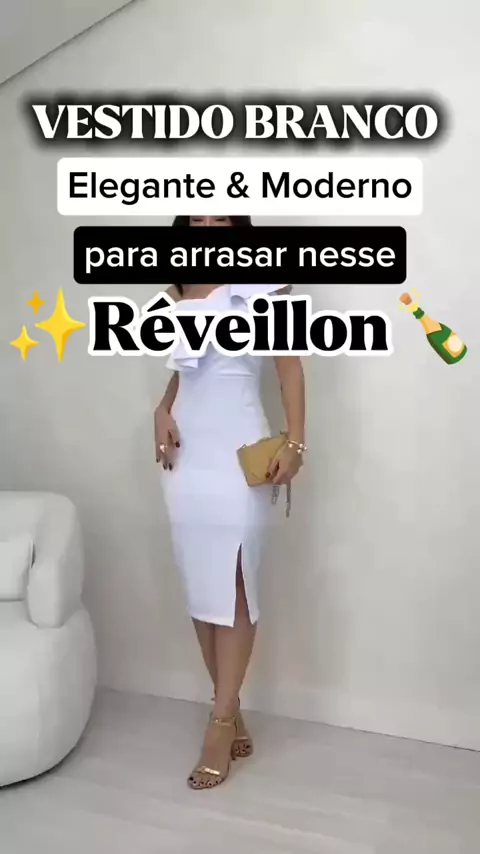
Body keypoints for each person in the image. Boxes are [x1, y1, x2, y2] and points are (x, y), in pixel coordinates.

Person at [154, 215, 306, 789]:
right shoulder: (177, 289)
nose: (209, 225)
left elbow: (290, 367)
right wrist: (160, 410)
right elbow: (184, 372)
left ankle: (219, 723)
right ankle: (231, 705)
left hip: (241, 450)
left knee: (236, 581)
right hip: (186, 455)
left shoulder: (264, 284)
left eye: (220, 217)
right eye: (199, 217)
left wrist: (295, 442)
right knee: (201, 587)